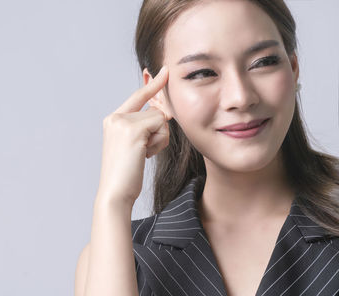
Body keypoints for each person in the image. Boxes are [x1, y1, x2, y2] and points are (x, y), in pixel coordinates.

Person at [74, 0, 339, 295]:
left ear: (293, 68)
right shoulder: (118, 255)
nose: (240, 97)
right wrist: (113, 201)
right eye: (202, 73)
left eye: (263, 62)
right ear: (158, 92)